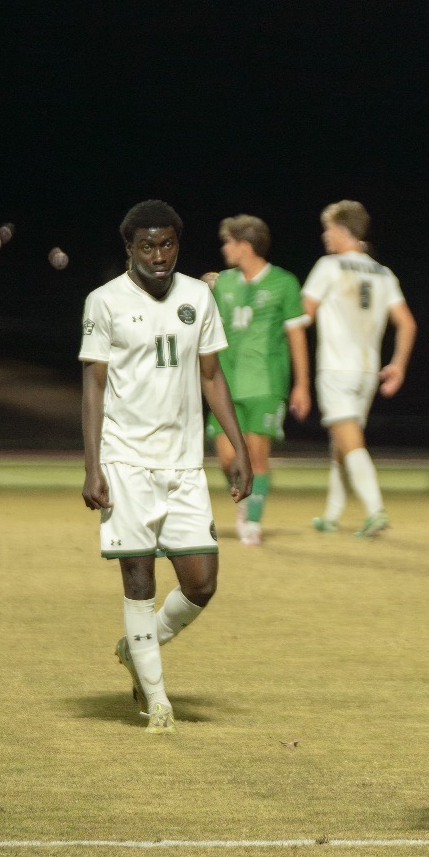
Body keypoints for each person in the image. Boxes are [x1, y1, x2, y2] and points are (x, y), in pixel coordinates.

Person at [79, 200, 252, 732]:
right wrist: (92, 465)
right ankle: (157, 701)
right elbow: (93, 385)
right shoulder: (104, 301)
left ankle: (138, 647)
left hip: (183, 464)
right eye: (148, 246)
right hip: (125, 460)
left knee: (202, 581)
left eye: (168, 244)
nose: (159, 255)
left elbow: (211, 375)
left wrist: (237, 445)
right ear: (129, 248)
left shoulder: (198, 297)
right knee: (138, 577)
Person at [301, 201, 417, 537]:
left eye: (328, 229)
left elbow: (303, 314)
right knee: (342, 442)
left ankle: (376, 510)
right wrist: (398, 364)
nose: (325, 236)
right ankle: (332, 514)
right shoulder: (383, 273)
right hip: (368, 371)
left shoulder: (329, 267)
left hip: (336, 369)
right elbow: (407, 323)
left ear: (342, 231)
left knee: (350, 444)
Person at [207, 214, 312, 546]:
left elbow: (297, 337)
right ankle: (245, 502)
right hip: (225, 383)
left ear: (245, 245)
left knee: (256, 455)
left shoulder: (284, 283)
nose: (224, 247)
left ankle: (252, 521)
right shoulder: (222, 282)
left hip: (266, 384)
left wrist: (302, 384)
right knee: (226, 457)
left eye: (229, 242)